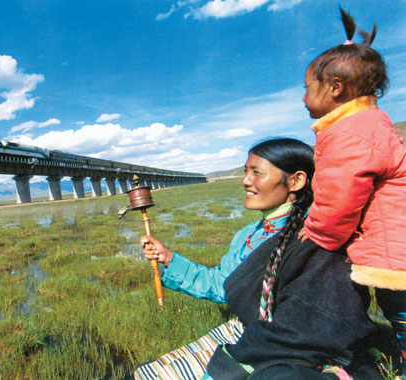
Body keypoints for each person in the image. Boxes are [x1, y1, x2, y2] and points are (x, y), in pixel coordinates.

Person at [134, 138, 379, 380]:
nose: (245, 181)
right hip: (249, 332)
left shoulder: (317, 236)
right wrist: (169, 259)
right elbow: (224, 284)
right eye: (244, 172)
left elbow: (315, 318)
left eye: (256, 173)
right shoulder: (248, 235)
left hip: (294, 349)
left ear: (296, 181)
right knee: (147, 374)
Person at [298, 8, 406, 379]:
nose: (302, 98)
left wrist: (316, 232)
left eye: (307, 88)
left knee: (402, 312)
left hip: (399, 260)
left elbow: (338, 199)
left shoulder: (349, 134)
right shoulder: (371, 124)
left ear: (335, 89)